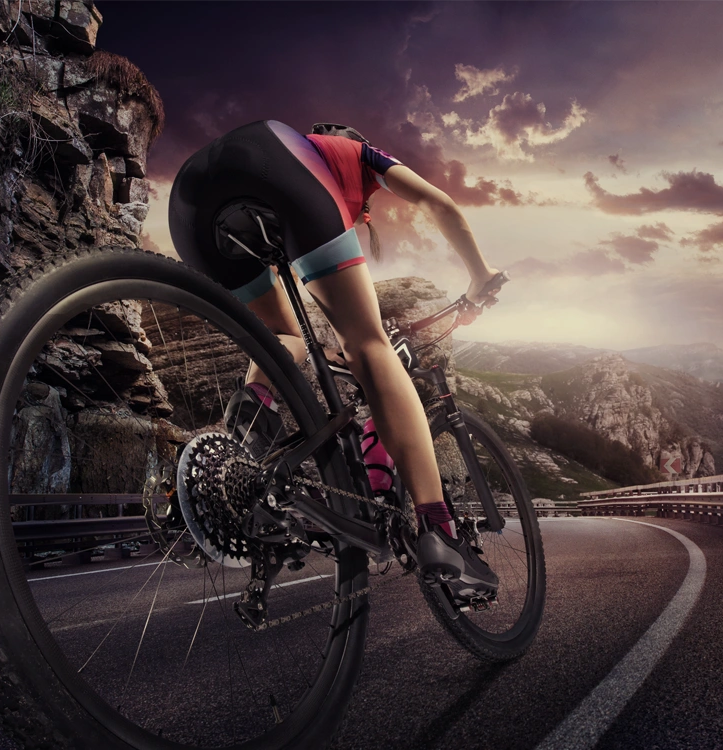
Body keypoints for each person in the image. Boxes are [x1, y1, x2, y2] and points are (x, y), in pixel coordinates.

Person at [167, 120, 504, 600]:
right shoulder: (359, 154)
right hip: (274, 161)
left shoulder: (310, 155)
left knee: (284, 337)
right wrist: (481, 275)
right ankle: (440, 530)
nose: (364, 215)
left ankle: (250, 419)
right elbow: (438, 203)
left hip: (188, 203)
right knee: (368, 345)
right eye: (365, 211)